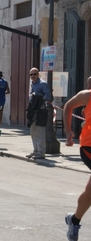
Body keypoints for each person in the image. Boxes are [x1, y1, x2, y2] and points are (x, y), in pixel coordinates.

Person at [63, 89, 91, 241]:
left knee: (89, 193)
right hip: (89, 146)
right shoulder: (87, 95)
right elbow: (68, 106)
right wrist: (68, 132)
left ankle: (74, 221)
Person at [25, 68, 52, 160]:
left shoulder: (43, 84)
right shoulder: (32, 84)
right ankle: (36, 150)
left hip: (40, 110)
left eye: (34, 74)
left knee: (40, 131)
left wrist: (39, 97)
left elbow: (48, 96)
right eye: (31, 74)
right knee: (33, 131)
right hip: (32, 110)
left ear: (38, 74)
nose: (32, 76)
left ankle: (41, 152)